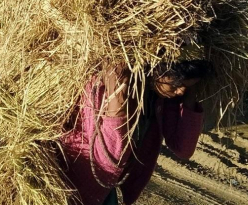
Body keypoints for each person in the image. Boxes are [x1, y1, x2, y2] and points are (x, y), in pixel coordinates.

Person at [61, 60, 211, 204]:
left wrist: (189, 92)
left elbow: (183, 148)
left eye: (186, 86)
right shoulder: (111, 82)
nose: (181, 91)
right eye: (178, 84)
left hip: (106, 187)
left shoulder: (159, 96)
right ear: (158, 69)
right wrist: (120, 95)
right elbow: (110, 158)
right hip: (76, 178)